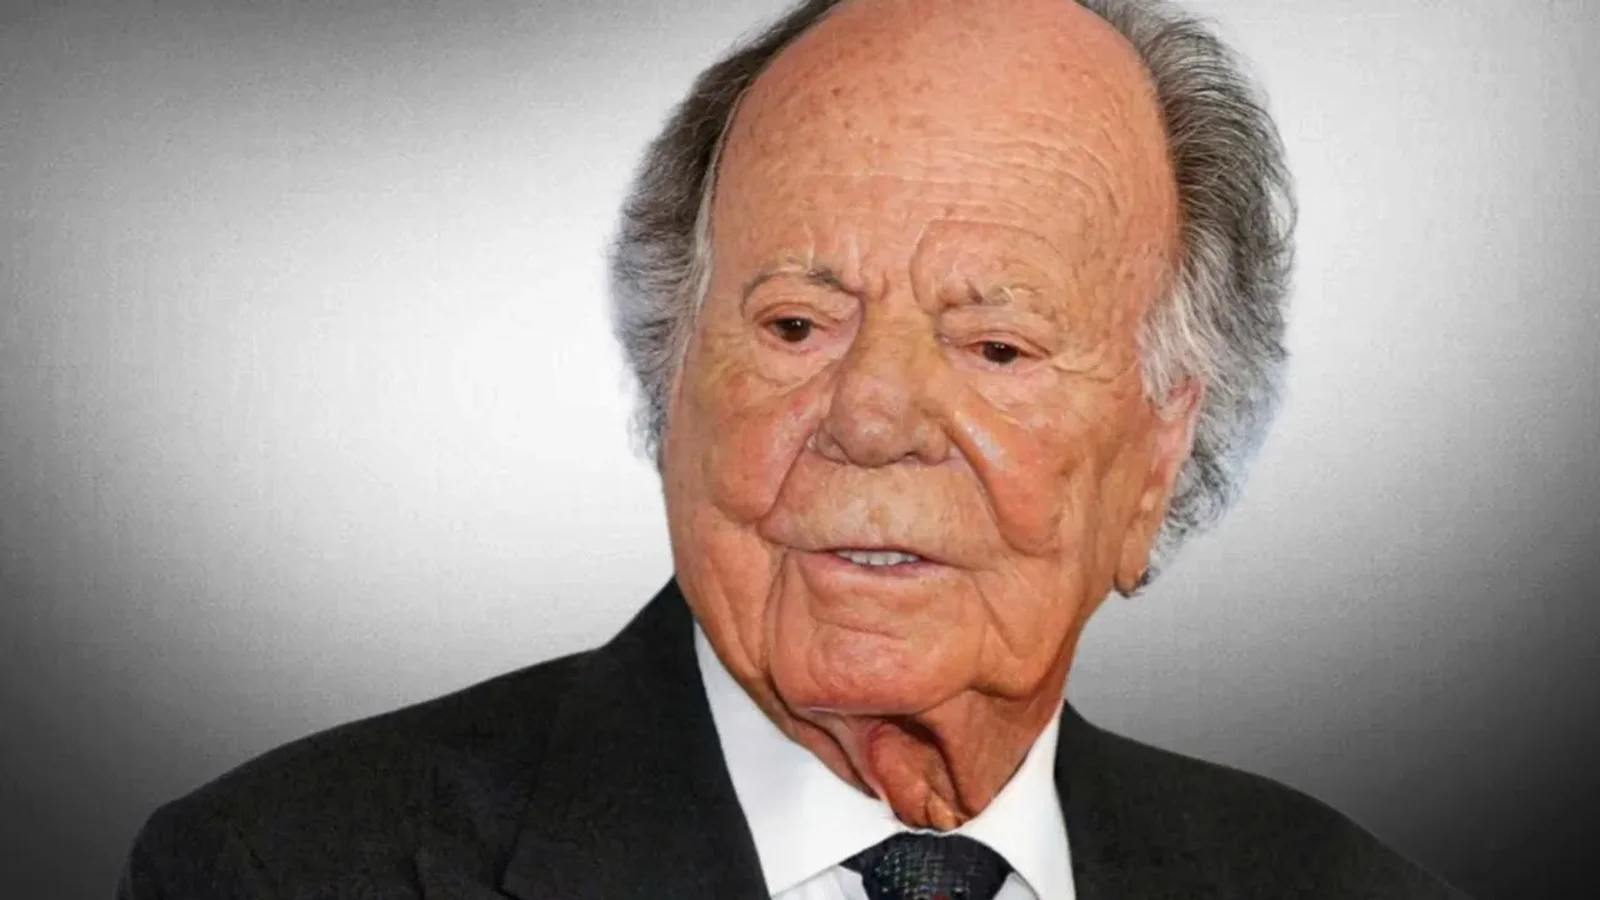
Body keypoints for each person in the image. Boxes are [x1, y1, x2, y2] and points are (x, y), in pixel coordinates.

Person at [119, 0, 1469, 897]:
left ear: (1159, 454)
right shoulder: (280, 871)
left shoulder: (1346, 889)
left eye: (997, 347)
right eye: (794, 325)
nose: (872, 417)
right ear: (672, 377)